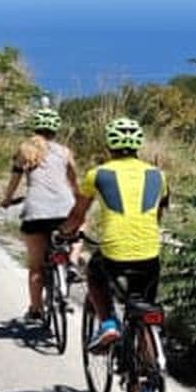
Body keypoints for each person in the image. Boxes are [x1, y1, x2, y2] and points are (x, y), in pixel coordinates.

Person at [59, 118, 169, 352]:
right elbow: (158, 216)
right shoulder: (159, 176)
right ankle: (150, 365)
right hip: (149, 253)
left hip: (114, 252)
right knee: (144, 307)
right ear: (138, 144)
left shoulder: (97, 174)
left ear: (109, 145)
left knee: (94, 274)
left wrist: (64, 233)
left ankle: (108, 325)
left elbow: (78, 215)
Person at [0, 109, 78, 324]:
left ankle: (36, 310)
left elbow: (15, 180)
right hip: (64, 208)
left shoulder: (25, 149)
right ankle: (72, 261)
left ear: (35, 127)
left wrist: (7, 199)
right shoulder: (65, 152)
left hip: (36, 211)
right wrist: (76, 198)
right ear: (55, 130)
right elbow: (73, 181)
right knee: (80, 228)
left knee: (36, 267)